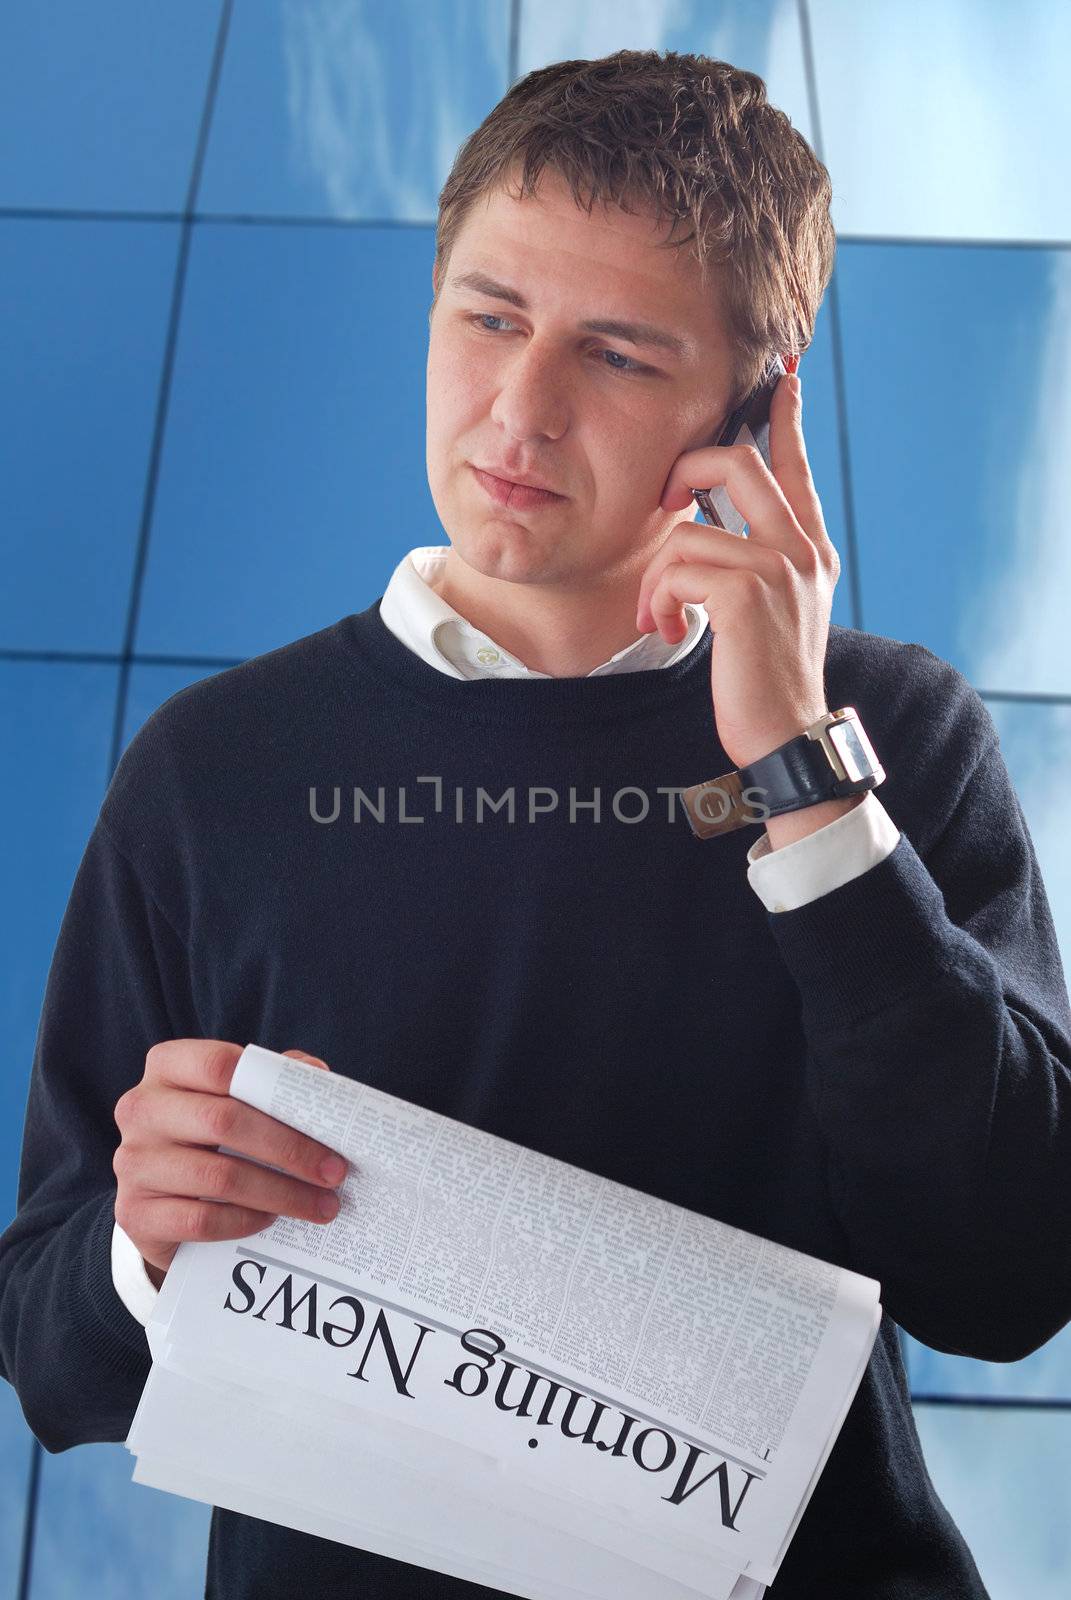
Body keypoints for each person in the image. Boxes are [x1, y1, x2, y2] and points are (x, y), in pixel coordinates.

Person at [2, 47, 1069, 1600]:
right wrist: (142, 1248)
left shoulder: (889, 739)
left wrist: (804, 787)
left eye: (619, 355)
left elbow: (1008, 1282)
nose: (519, 409)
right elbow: (48, 1353)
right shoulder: (210, 770)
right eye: (488, 317)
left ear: (754, 411)